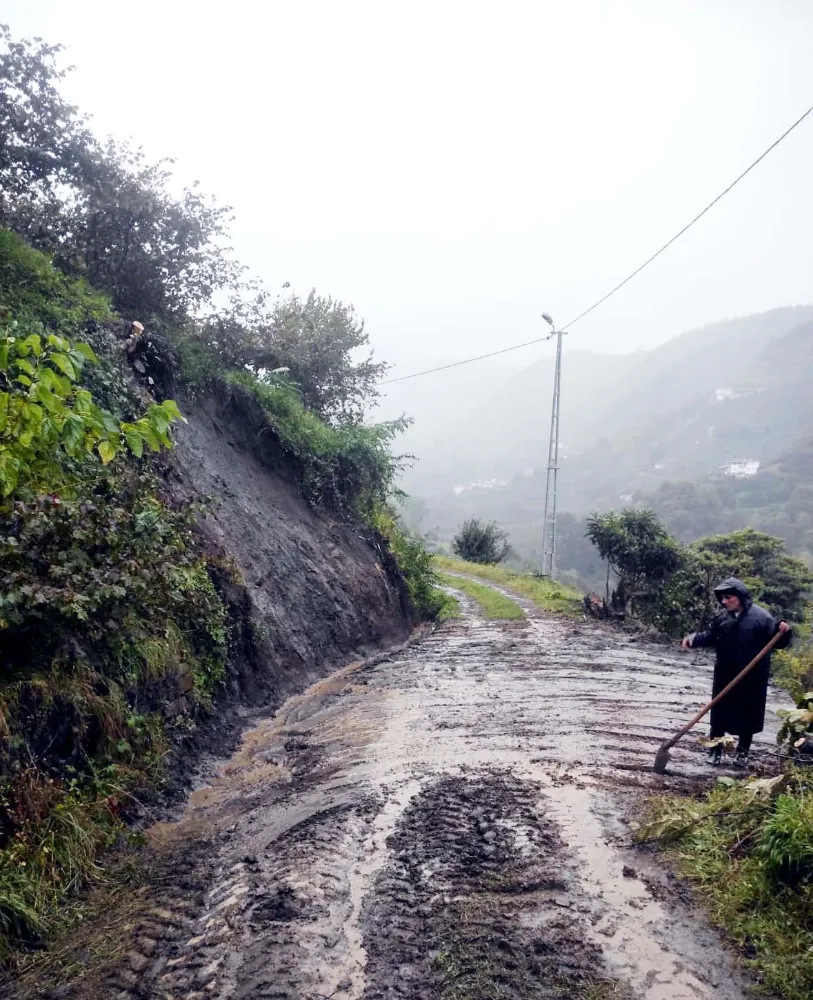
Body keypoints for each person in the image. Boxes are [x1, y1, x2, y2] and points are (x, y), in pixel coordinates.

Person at [681, 577, 791, 768]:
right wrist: (694, 639)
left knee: (748, 713)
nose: (724, 602)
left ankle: (743, 752)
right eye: (722, 598)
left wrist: (784, 630)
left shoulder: (762, 618)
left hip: (752, 676)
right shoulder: (722, 618)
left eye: (728, 597)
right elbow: (711, 636)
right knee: (719, 713)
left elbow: (778, 641)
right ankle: (715, 749)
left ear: (740, 596)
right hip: (725, 672)